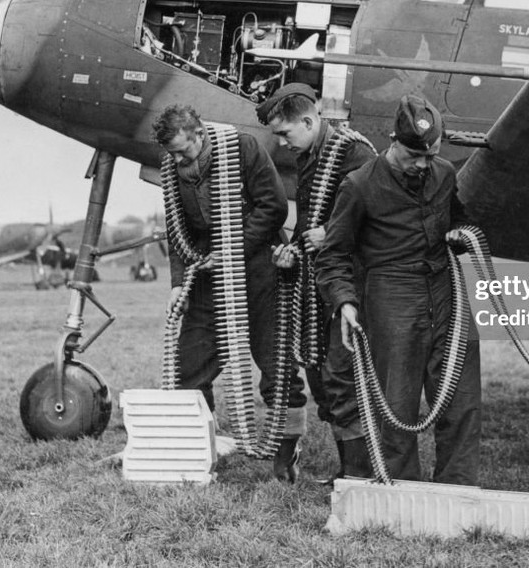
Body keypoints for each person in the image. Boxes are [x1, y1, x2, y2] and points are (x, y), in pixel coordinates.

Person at [315, 94, 481, 486]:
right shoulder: (358, 185)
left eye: (430, 156)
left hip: (446, 291)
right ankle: (401, 491)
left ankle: (457, 489)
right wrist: (345, 302)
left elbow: (460, 219)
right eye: (414, 157)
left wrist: (465, 234)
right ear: (393, 141)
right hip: (392, 294)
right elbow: (332, 255)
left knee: (462, 401)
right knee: (396, 405)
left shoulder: (443, 173)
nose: (423, 165)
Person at [152, 104, 307, 482]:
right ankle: (198, 457)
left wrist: (233, 249)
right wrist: (178, 283)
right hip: (207, 274)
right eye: (170, 153)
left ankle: (285, 456)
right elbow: (177, 230)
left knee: (278, 369)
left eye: (183, 151)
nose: (177, 159)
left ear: (200, 134)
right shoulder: (172, 170)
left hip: (259, 271)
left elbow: (272, 208)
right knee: (189, 366)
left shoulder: (243, 149)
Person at [255, 83, 376, 482]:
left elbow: (379, 218)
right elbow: (311, 224)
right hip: (319, 287)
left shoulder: (353, 152)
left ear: (308, 121)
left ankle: (359, 477)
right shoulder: (311, 155)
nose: (283, 144)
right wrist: (292, 249)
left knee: (342, 380)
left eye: (286, 133)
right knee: (325, 381)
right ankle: (349, 470)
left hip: (352, 287)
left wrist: (332, 233)